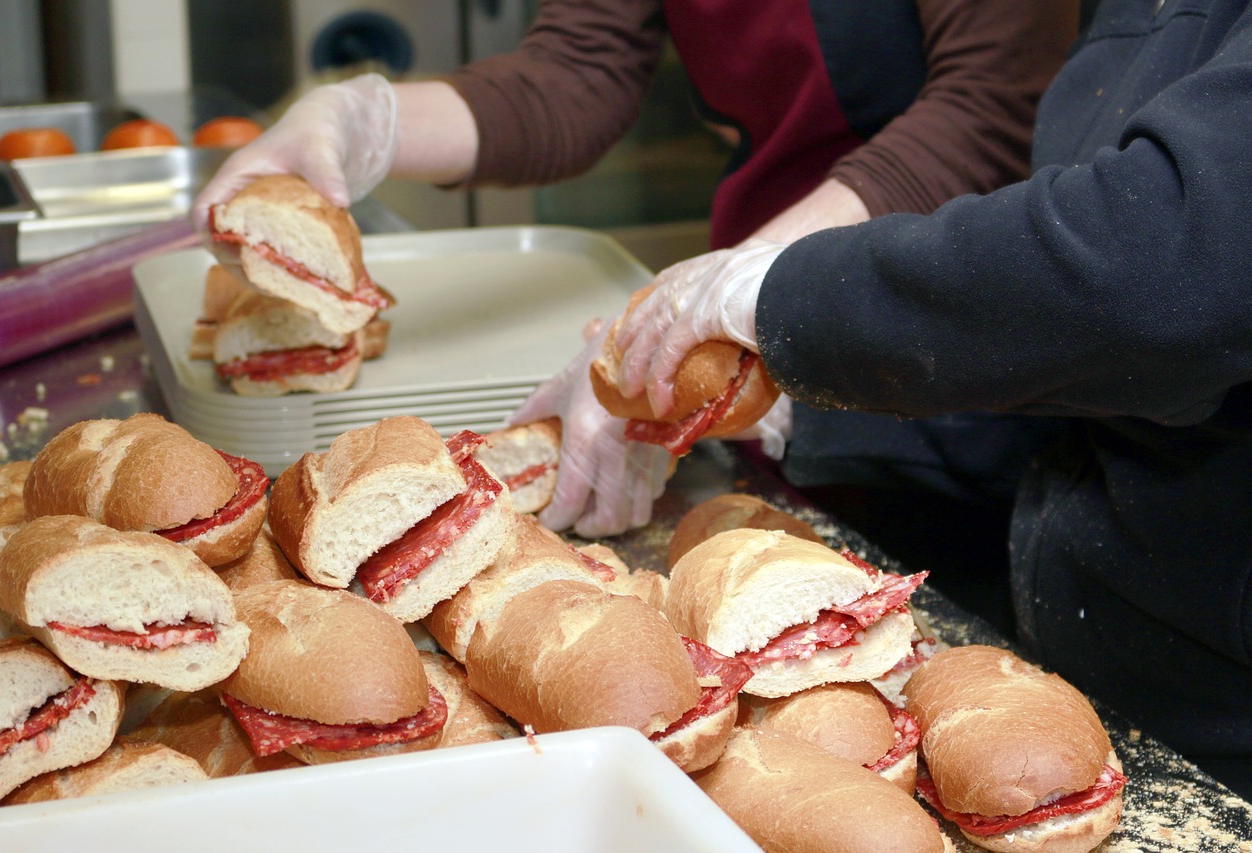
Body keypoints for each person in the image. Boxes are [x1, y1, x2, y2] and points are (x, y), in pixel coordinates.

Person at [607, 0, 1252, 798]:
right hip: (1091, 662)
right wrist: (790, 403)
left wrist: (782, 294)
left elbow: (1164, 267)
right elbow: (1072, 344)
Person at [192, 0, 1079, 537]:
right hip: (748, 327)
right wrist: (362, 120)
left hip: (943, 322)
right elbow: (577, 72)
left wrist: (734, 293)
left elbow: (991, 105)